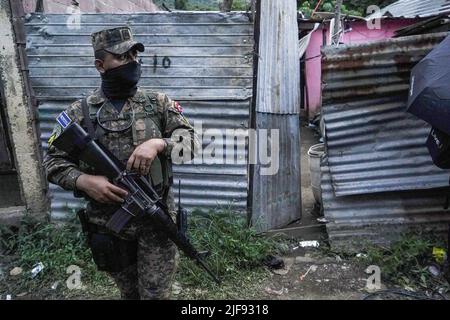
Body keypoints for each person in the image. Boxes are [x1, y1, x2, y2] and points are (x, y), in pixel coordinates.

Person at [43, 26, 199, 300]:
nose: (132, 62)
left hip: (156, 221)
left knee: (154, 294)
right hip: (108, 225)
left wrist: (160, 143)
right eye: (123, 57)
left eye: (134, 55)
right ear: (100, 65)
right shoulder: (79, 112)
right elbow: (52, 161)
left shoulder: (157, 103)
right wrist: (83, 181)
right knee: (129, 293)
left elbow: (192, 145)